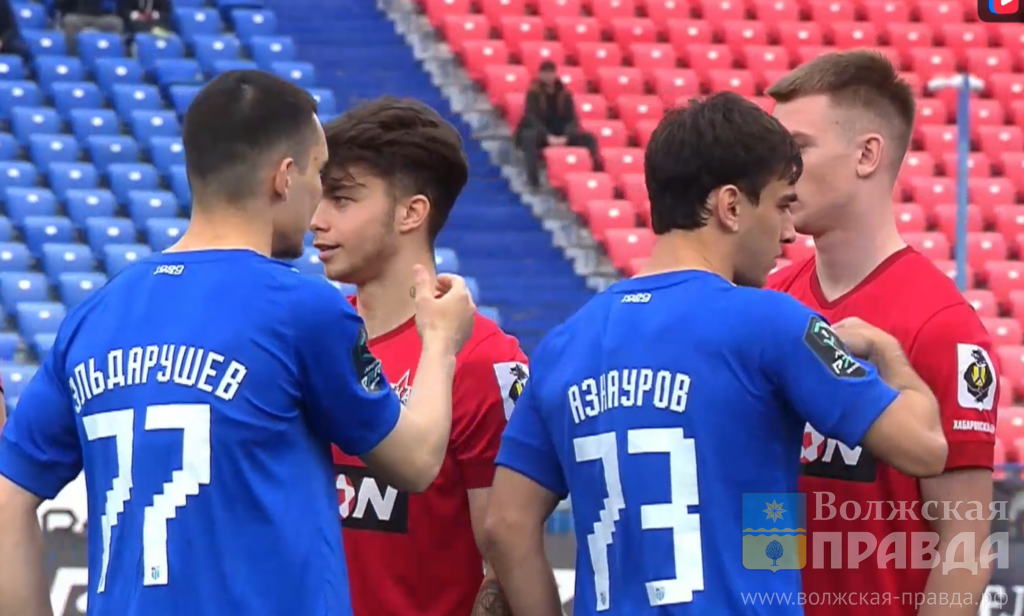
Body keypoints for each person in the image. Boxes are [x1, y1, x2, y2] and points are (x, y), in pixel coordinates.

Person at [0, 71, 476, 616]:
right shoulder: (301, 308)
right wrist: (440, 342)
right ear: (285, 177)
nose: (318, 203)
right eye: (318, 174)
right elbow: (415, 462)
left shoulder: (93, 317)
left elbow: (9, 498)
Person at [482, 91, 948, 616]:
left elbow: (506, 526)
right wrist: (889, 354)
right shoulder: (773, 322)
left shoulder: (564, 345)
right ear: (730, 206)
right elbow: (925, 448)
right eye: (781, 205)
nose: (789, 232)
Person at [766, 50, 999, 615]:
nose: (777, 173)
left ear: (867, 155)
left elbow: (964, 547)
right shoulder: (768, 304)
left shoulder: (942, 325)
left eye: (796, 150)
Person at [312, 96, 527, 616]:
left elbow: (506, 561)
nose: (316, 220)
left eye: (341, 199)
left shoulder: (483, 360)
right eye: (318, 197)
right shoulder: (310, 339)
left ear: (412, 212)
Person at [515, 60, 602, 189]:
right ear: (540, 75)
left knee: (589, 138)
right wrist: (547, 136)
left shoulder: (565, 94)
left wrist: (566, 136)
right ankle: (534, 181)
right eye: (545, 73)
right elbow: (531, 118)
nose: (548, 76)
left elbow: (572, 119)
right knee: (529, 137)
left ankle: (595, 174)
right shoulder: (533, 94)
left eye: (551, 73)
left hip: (561, 134)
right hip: (542, 135)